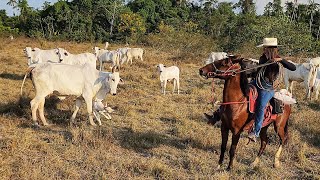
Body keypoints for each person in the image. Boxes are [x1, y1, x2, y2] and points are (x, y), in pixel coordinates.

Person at [204, 38, 296, 142]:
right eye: (264, 48)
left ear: (270, 49)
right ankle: (216, 116)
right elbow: (258, 71)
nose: (264, 50)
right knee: (235, 94)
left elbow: (293, 68)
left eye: (265, 48)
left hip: (267, 88)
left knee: (261, 105)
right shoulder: (263, 58)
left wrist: (280, 60)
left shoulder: (278, 59)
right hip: (256, 83)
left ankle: (255, 132)